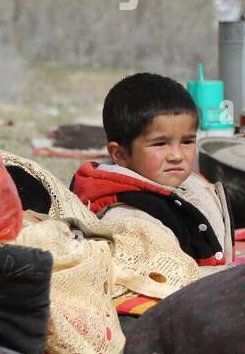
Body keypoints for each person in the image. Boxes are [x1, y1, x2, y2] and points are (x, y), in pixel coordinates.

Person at [71, 72, 233, 268]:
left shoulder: (193, 185)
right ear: (120, 154)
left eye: (187, 141)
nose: (177, 155)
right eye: (160, 144)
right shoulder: (128, 218)